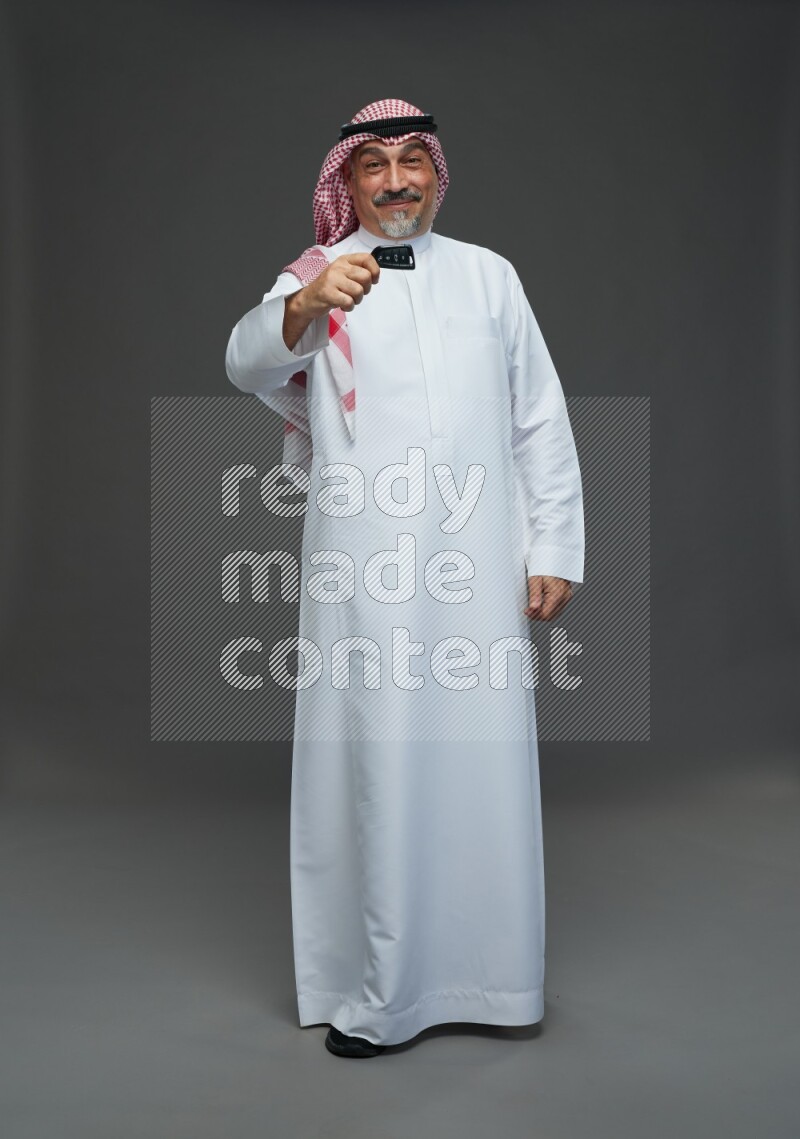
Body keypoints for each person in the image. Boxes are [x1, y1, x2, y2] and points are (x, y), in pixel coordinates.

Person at [225, 98, 585, 1059]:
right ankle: (376, 994)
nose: (394, 180)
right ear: (344, 182)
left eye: (410, 160)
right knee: (378, 762)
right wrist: (303, 305)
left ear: (436, 172)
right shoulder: (319, 276)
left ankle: (497, 982)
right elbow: (244, 360)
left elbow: (537, 417)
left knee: (483, 763)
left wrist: (552, 546)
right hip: (364, 571)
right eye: (372, 164)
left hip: (478, 565)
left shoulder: (490, 277)